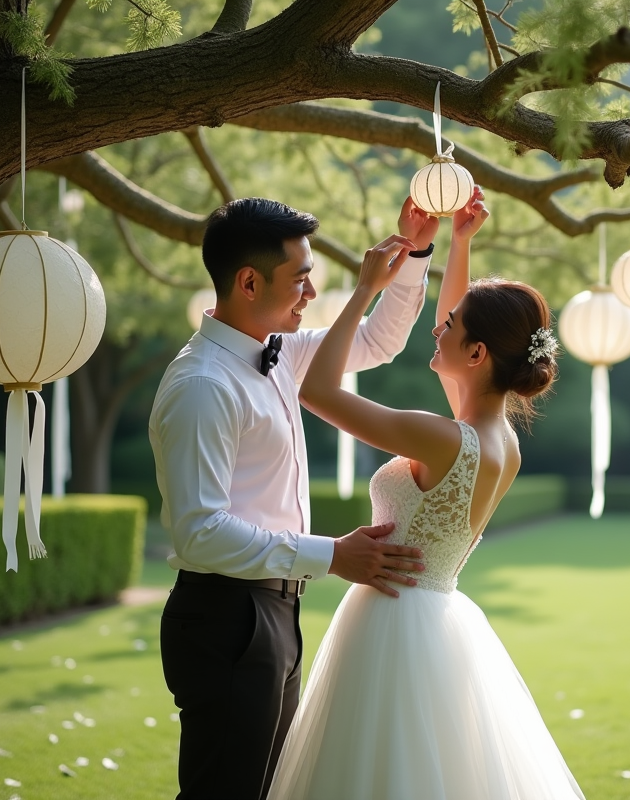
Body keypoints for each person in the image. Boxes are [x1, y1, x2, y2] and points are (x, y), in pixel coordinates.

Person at [268, 188, 584, 800]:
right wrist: (459, 244)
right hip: (437, 620)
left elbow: (318, 391)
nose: (437, 329)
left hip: (391, 627)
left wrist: (367, 289)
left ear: (477, 353)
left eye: (451, 327)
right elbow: (462, 332)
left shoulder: (439, 437)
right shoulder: (496, 444)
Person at [149, 196, 440, 800]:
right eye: (301, 279)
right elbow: (199, 532)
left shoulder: (276, 354)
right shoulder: (203, 385)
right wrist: (332, 554)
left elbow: (377, 341)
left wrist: (413, 254)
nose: (310, 293)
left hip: (273, 611)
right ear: (249, 281)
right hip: (227, 617)